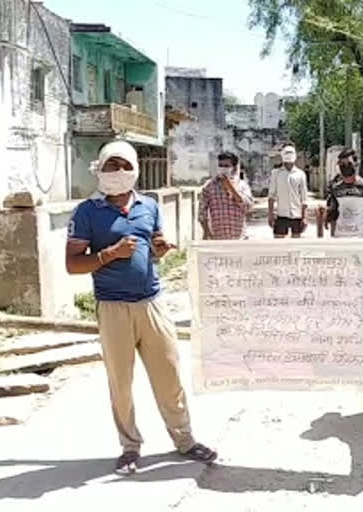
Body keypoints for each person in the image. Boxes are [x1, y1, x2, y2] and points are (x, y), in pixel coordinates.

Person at [66, 141, 217, 475]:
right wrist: (109, 254)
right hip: (113, 307)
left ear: (134, 169)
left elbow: (152, 248)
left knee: (169, 375)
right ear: (99, 169)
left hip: (151, 302)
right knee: (121, 382)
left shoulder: (149, 206)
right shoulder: (87, 212)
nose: (117, 173)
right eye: (110, 166)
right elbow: (72, 264)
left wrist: (159, 251)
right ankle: (130, 447)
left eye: (123, 165)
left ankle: (185, 440)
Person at [198, 151, 254, 240]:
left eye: (227, 166)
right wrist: (206, 231)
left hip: (239, 237)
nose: (223, 168)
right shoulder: (209, 186)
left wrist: (229, 186)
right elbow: (202, 212)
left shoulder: (242, 185)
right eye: (221, 165)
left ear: (234, 168)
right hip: (217, 237)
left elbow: (248, 207)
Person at [269, 143, 309, 239]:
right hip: (281, 214)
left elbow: (304, 198)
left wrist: (304, 217)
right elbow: (271, 196)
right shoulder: (276, 174)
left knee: (296, 245)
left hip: (296, 215)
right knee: (279, 244)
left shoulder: (300, 174)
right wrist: (270, 214)